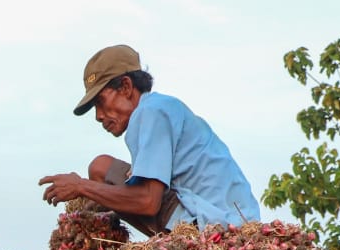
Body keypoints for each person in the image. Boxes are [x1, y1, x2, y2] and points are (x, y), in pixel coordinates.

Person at [39, 44, 260, 237]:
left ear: (126, 87)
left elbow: (147, 201)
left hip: (215, 224)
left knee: (101, 168)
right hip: (228, 217)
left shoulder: (150, 112)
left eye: (101, 102)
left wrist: (81, 186)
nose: (98, 115)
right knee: (104, 185)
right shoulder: (162, 107)